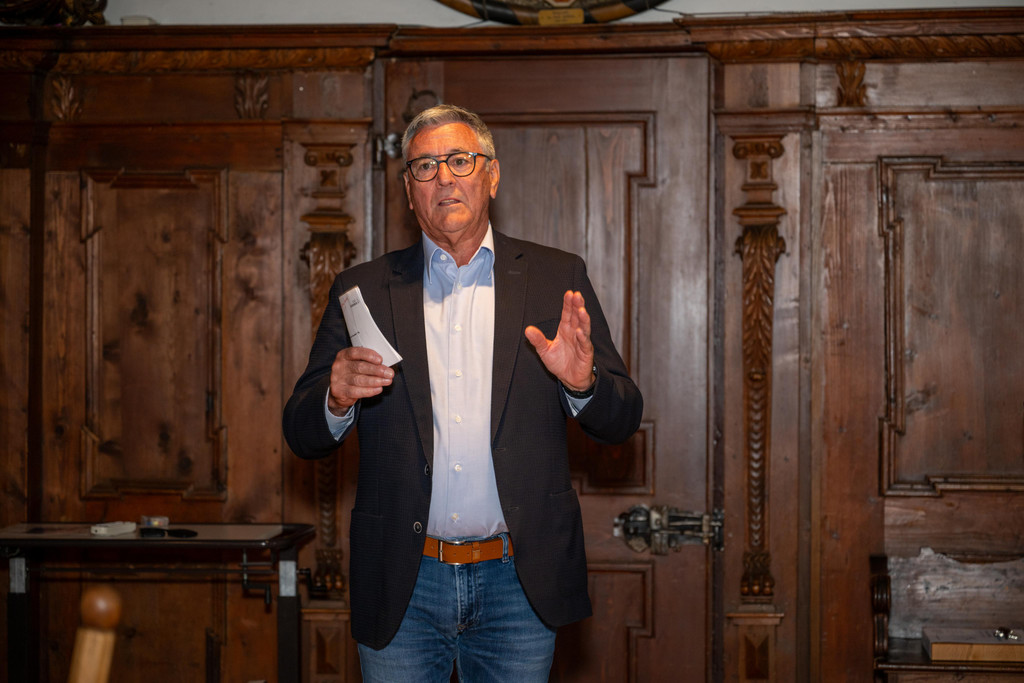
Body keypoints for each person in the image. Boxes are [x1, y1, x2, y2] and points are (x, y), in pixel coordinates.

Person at [282, 104, 643, 682]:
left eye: (459, 160)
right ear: (409, 191)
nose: (444, 178)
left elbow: (623, 418)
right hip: (403, 581)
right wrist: (334, 398)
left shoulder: (555, 278)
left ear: (491, 176)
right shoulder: (363, 289)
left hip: (518, 582)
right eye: (425, 167)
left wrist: (585, 385)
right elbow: (301, 432)